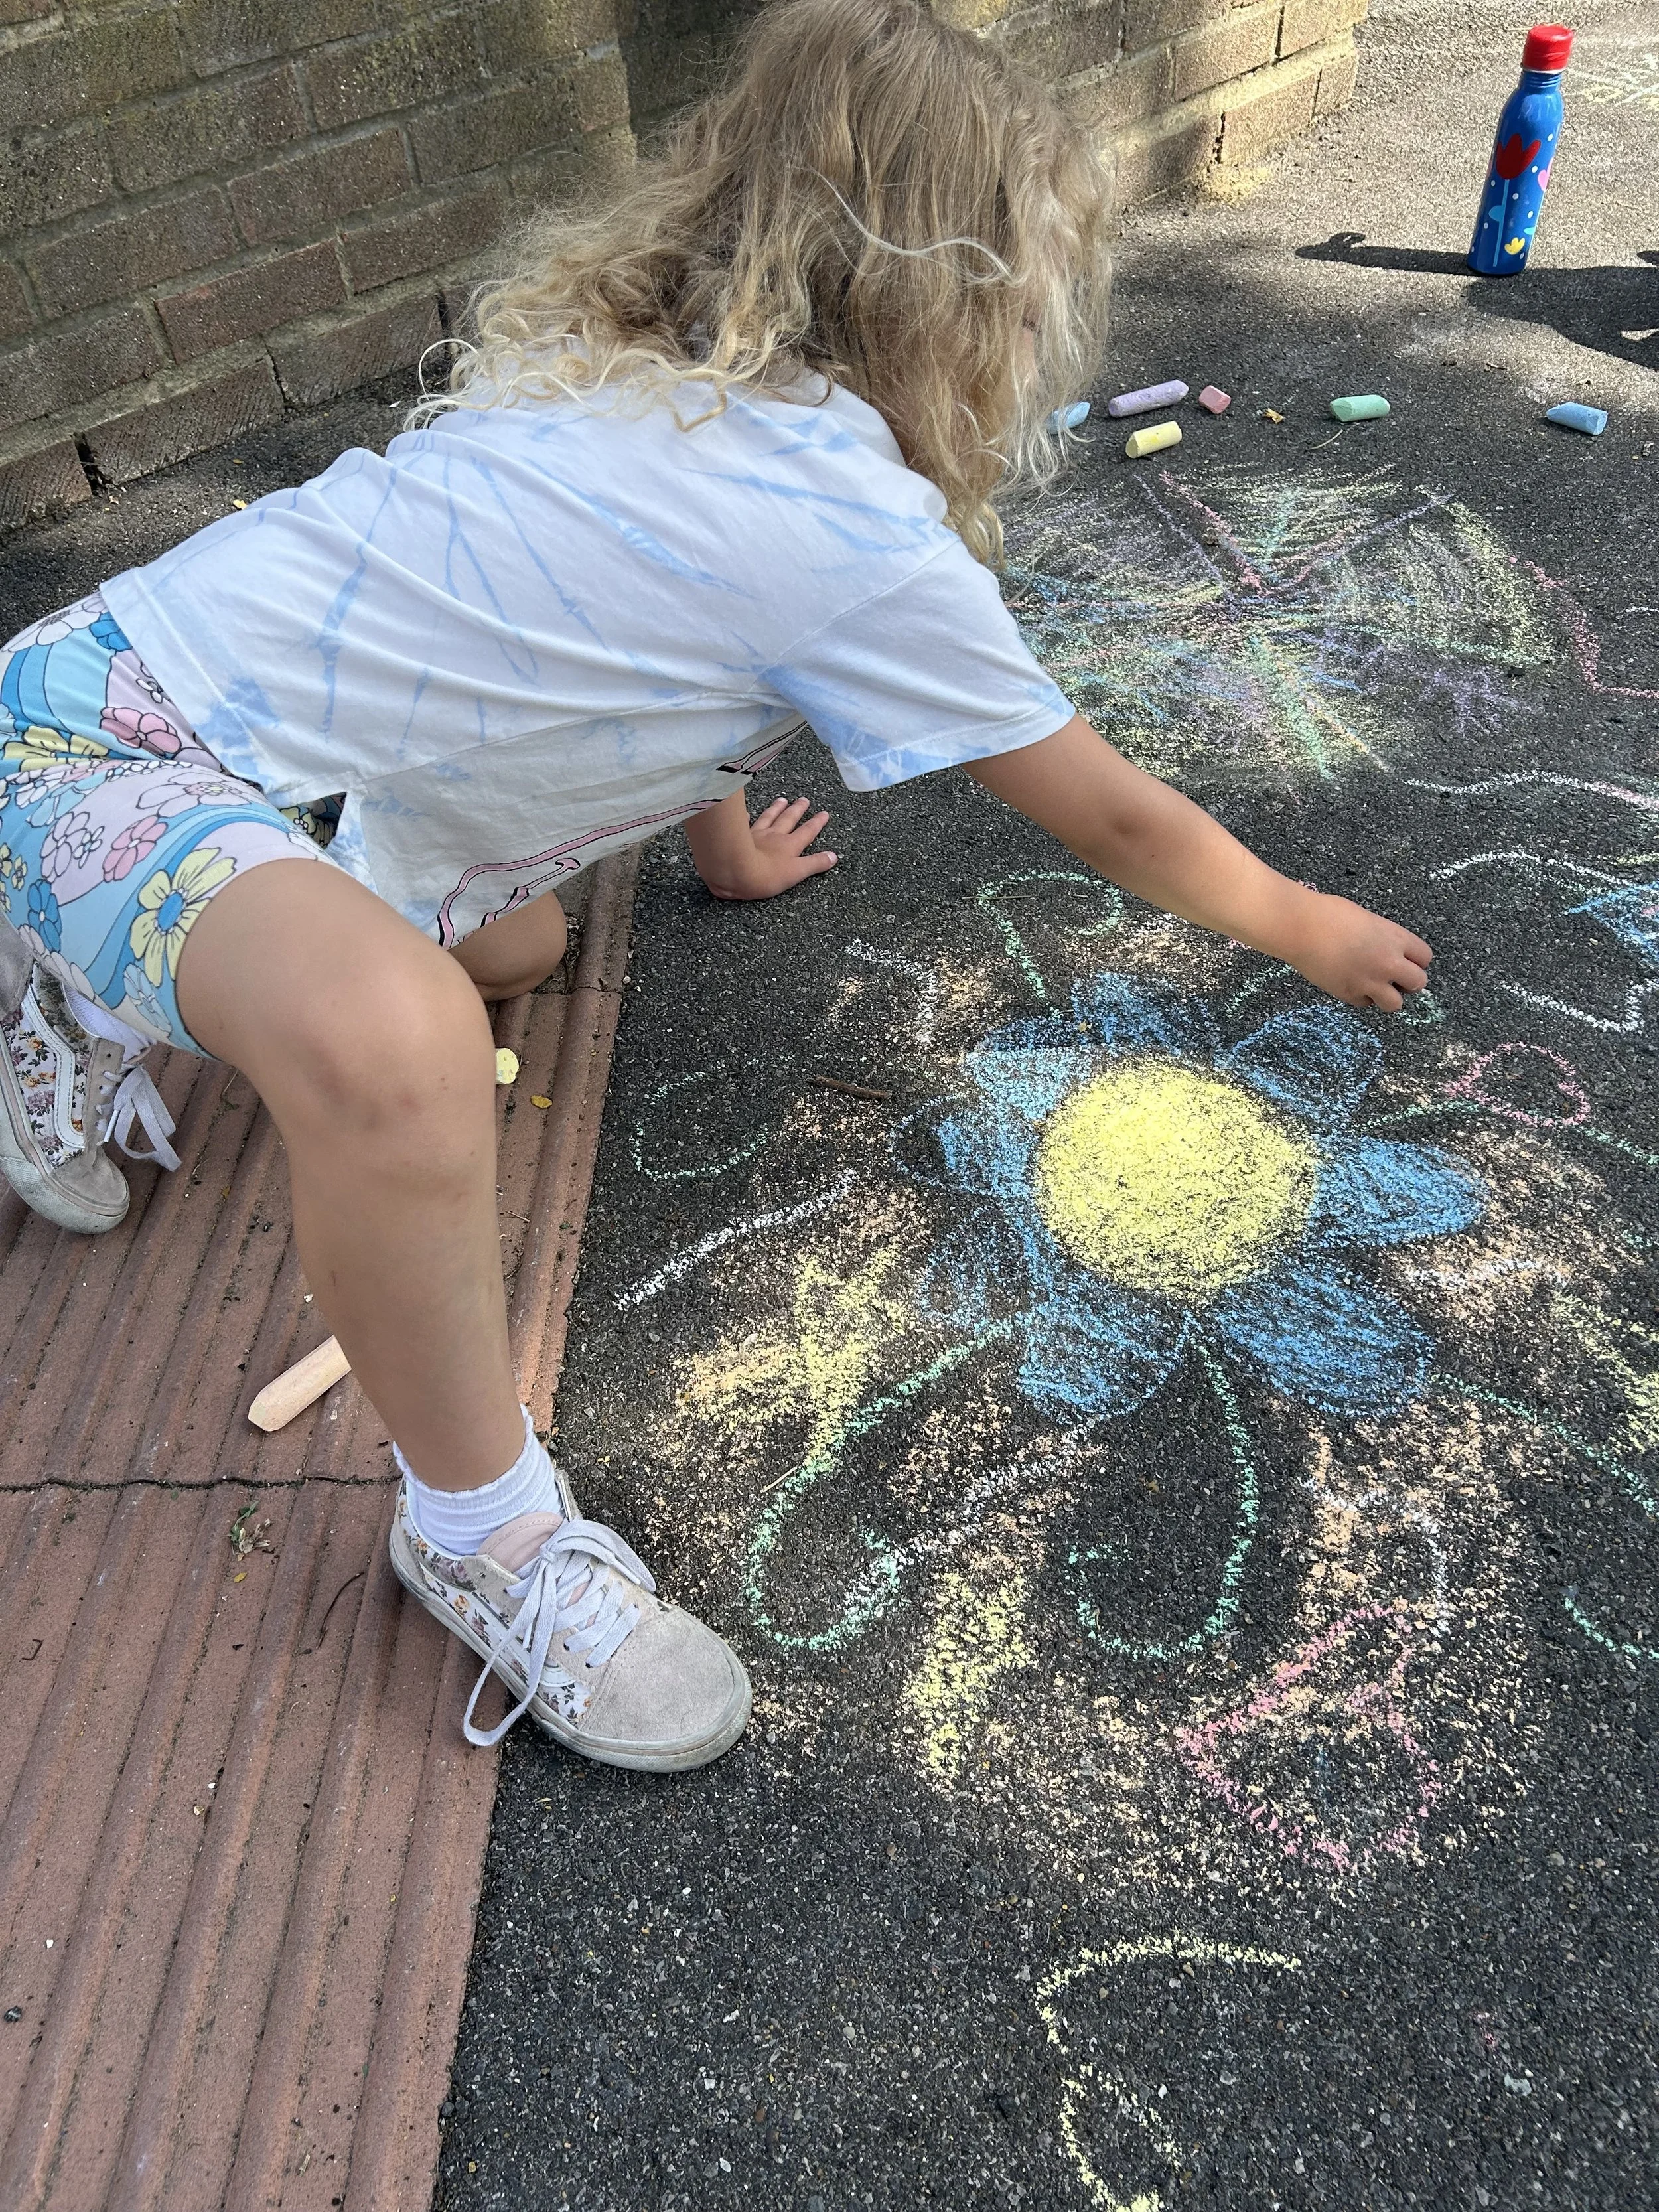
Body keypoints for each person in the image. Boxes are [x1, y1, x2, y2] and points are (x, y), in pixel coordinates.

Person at [0, 0, 1430, 1772]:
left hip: (202, 735)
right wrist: (1304, 922)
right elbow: (1113, 817)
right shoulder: (857, 543)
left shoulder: (628, 359)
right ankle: (480, 1529)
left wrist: (719, 838)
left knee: (505, 953)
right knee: (404, 1037)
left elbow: (653, 668)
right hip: (95, 751)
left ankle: (90, 966)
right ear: (975, 295)